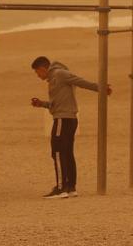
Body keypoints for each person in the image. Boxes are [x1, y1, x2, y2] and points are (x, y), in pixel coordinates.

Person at [29, 56, 112, 199]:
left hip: (63, 119)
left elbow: (80, 81)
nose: (38, 76)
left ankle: (61, 188)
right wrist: (41, 104)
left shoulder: (59, 74)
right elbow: (56, 104)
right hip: (66, 118)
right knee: (66, 152)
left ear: (43, 69)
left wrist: (101, 88)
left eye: (37, 73)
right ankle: (71, 187)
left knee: (58, 152)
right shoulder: (55, 78)